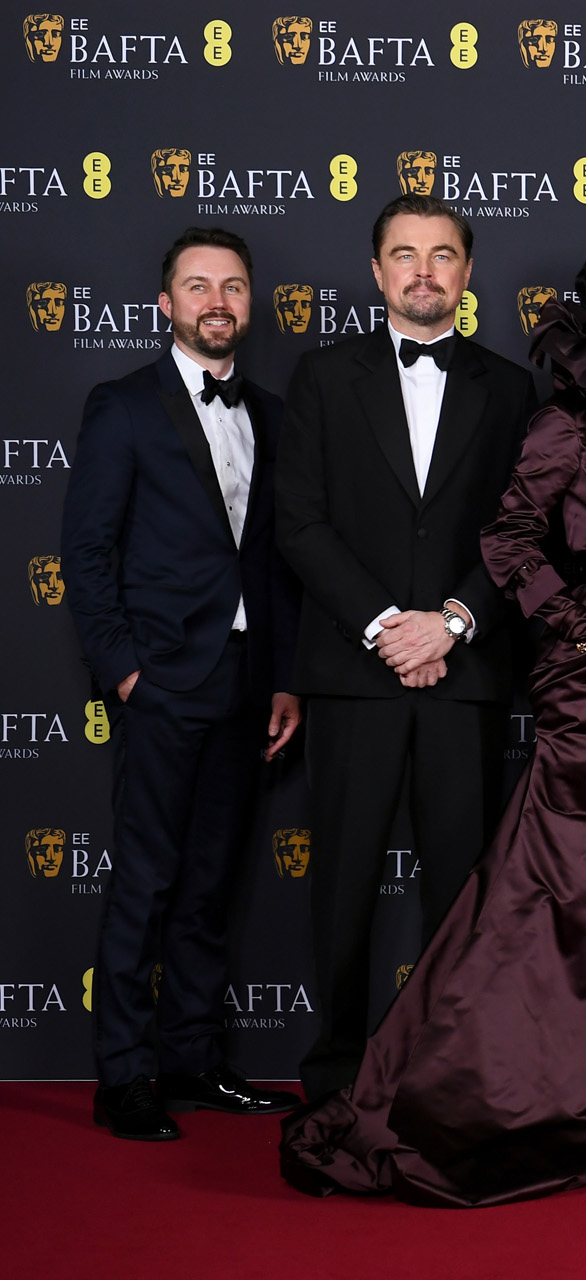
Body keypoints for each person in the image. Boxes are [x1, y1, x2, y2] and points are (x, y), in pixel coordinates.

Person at [280, 251, 586, 1205]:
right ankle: (522, 1067)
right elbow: (507, 539)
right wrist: (573, 621)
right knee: (582, 884)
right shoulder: (561, 421)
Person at [276, 195, 535, 1103]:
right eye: (405, 254)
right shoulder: (319, 376)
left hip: (465, 677)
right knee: (340, 887)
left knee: (462, 893)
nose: (425, 270)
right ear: (377, 270)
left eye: (443, 254)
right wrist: (390, 628)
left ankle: (446, 1075)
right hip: (355, 675)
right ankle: (336, 1079)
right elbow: (299, 523)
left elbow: (523, 530)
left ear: (468, 272)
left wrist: (455, 621)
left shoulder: (510, 388)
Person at [62, 227, 303, 1140]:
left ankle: (194, 1060)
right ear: (165, 303)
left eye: (232, 286)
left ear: (250, 303)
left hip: (244, 687)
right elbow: (86, 553)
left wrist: (281, 679)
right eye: (197, 285)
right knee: (147, 882)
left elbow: (274, 566)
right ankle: (123, 1075)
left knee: (211, 883)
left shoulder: (273, 413)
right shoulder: (122, 406)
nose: (216, 300)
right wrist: (123, 670)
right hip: (160, 682)